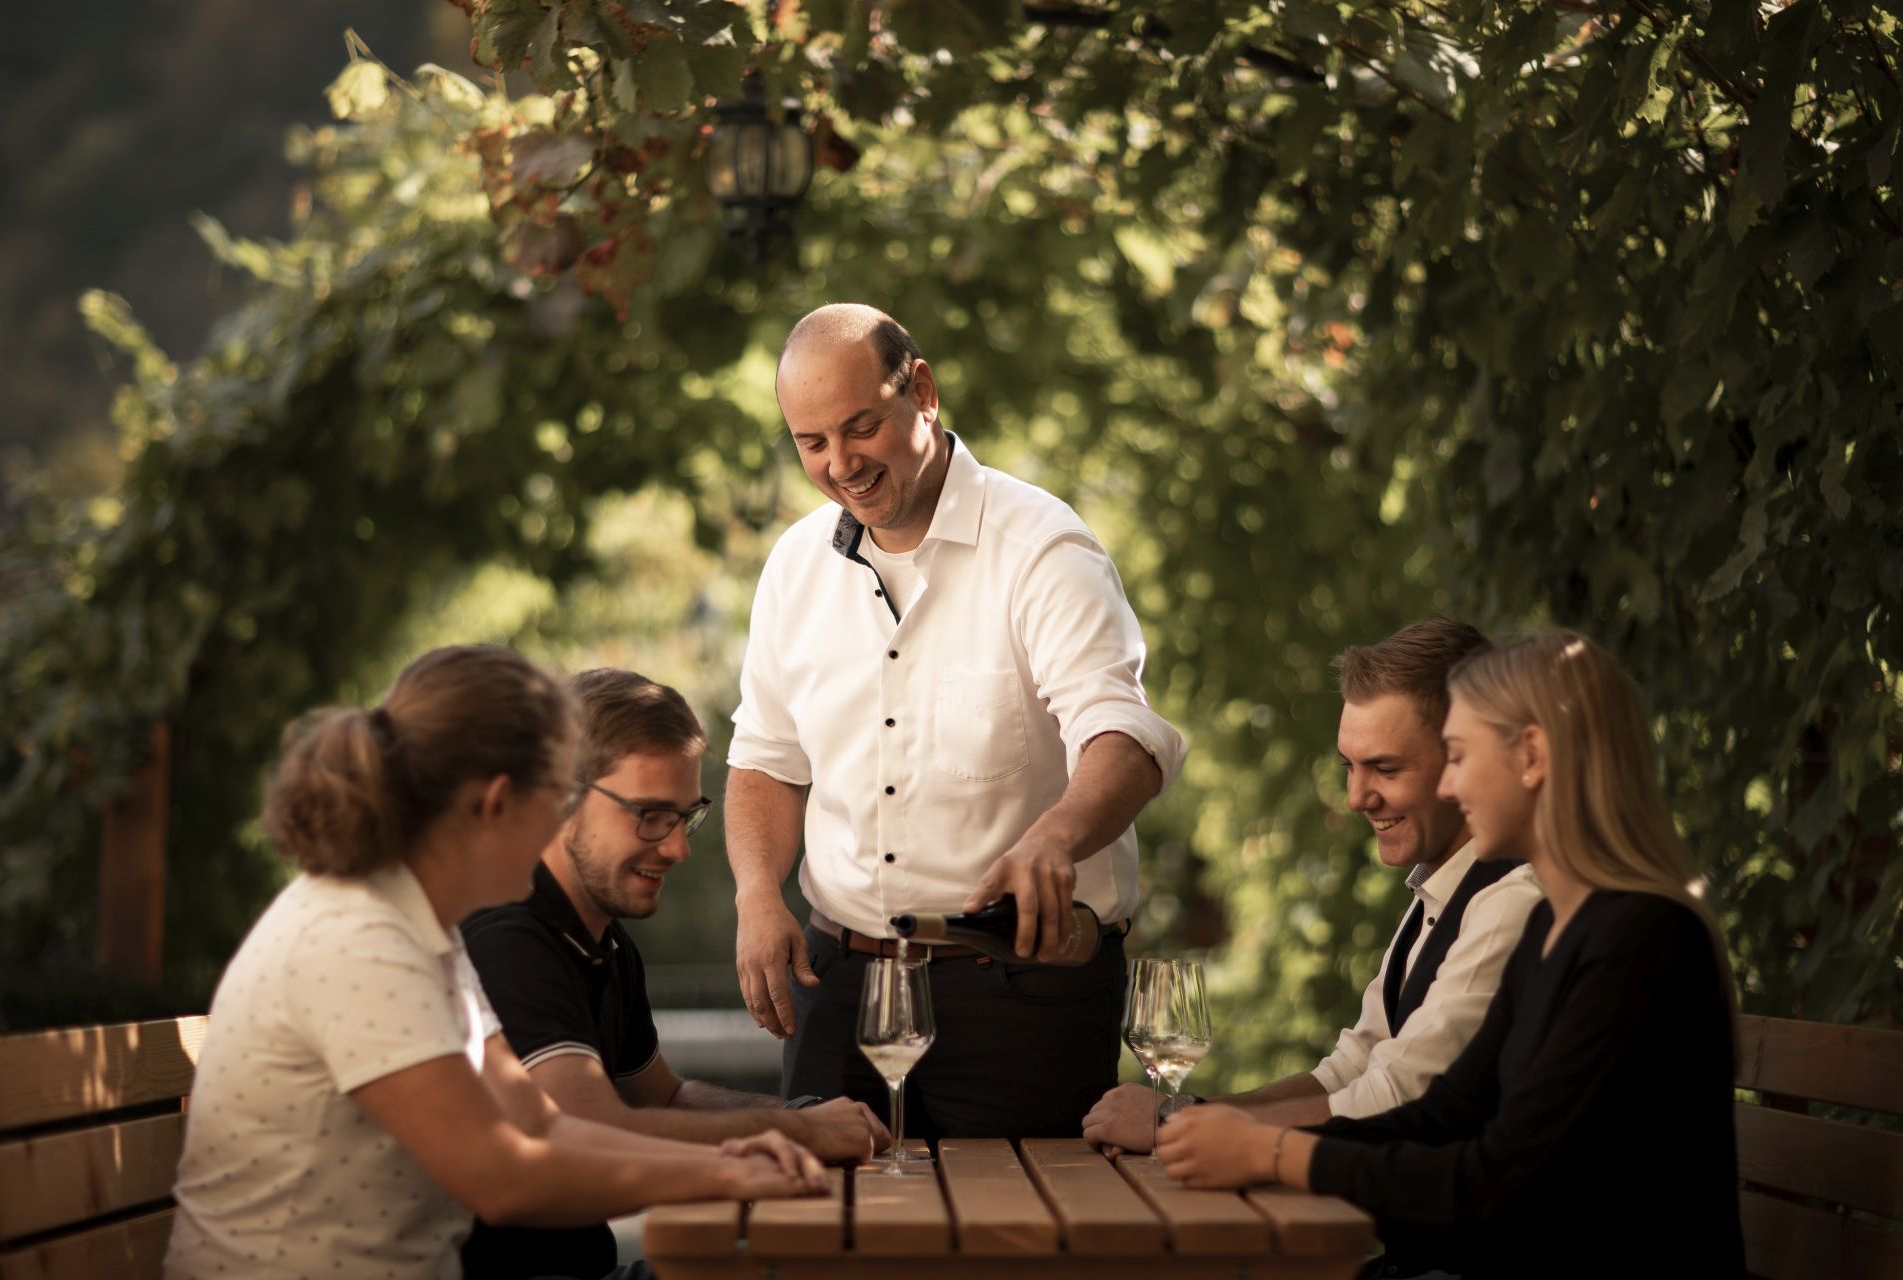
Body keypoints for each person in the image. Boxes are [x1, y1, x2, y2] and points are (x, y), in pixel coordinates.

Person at [166, 646, 826, 1280]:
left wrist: (743, 1150)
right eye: (554, 800)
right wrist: (725, 1171)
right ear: (494, 801)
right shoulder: (358, 937)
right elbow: (503, 1178)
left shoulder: (423, 931)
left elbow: (539, 1124)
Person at [726, 303, 1189, 1139]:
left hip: (1023, 994)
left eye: (860, 426)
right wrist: (758, 892)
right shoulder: (794, 565)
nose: (841, 464)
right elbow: (764, 759)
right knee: (826, 1248)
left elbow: (1123, 735)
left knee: (1017, 1248)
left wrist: (1052, 839)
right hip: (840, 988)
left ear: (924, 393)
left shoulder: (1044, 547)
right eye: (812, 443)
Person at [1154, 633, 1745, 1278]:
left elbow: (1492, 1178)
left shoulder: (1644, 939)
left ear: (1532, 757)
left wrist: (1270, 1154)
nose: (1451, 787)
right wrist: (1238, 1138)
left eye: (1458, 757)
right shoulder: (1562, 923)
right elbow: (1441, 1116)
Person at [460, 668, 888, 1279]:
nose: (677, 848)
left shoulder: (603, 940)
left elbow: (662, 1097)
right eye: (650, 814)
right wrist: (793, 1135)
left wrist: (799, 1118)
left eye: (685, 816)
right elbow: (587, 1127)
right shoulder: (508, 934)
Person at [1085, 619, 1542, 1154]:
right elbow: (1351, 1069)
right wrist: (1187, 1116)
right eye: (1349, 766)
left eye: (1386, 769)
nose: (1355, 797)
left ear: (1464, 758)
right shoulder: (1439, 891)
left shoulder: (1510, 899)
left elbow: (1397, 1097)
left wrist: (1175, 1123)